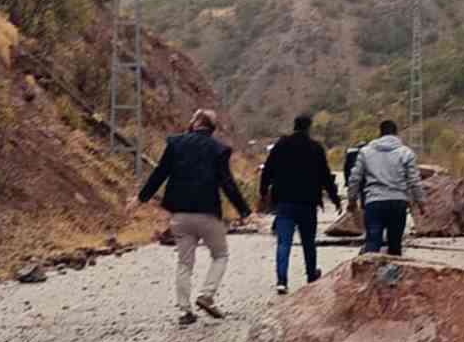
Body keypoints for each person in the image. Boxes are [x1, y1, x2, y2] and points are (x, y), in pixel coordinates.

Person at [136, 109, 251, 326]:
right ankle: (207, 295)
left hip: (180, 215)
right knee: (220, 255)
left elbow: (160, 173)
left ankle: (185, 311)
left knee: (184, 263)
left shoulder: (175, 144)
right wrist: (244, 211)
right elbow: (227, 183)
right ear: (212, 128)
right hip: (208, 214)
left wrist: (141, 198)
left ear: (195, 123)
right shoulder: (219, 149)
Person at [259, 114, 341, 295]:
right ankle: (311, 276)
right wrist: (335, 199)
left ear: (294, 126)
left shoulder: (281, 145)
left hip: (285, 201)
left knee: (284, 242)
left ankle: (282, 281)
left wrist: (263, 193)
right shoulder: (315, 148)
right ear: (309, 127)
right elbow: (325, 176)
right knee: (308, 242)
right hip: (308, 202)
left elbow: (267, 171)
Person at [347, 120, 424, 256]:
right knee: (395, 245)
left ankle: (370, 268)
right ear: (396, 133)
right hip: (398, 203)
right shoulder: (406, 153)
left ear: (380, 133)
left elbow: (355, 178)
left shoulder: (365, 152)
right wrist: (420, 202)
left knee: (372, 243)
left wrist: (351, 200)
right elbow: (414, 180)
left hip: (374, 202)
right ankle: (393, 269)